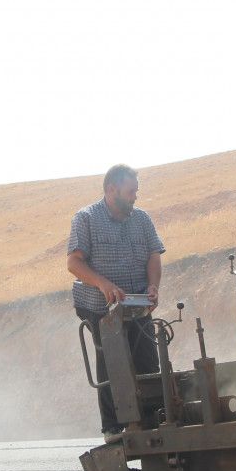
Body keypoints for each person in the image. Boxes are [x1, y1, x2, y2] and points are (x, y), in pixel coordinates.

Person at [67, 164, 164, 441]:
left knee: (146, 358)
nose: (135, 197)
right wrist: (103, 284)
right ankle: (112, 427)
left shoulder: (142, 219)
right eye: (130, 191)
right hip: (99, 305)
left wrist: (153, 286)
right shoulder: (86, 218)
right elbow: (74, 263)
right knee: (111, 358)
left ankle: (151, 420)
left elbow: (153, 256)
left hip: (136, 302)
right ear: (112, 190)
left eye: (136, 191)